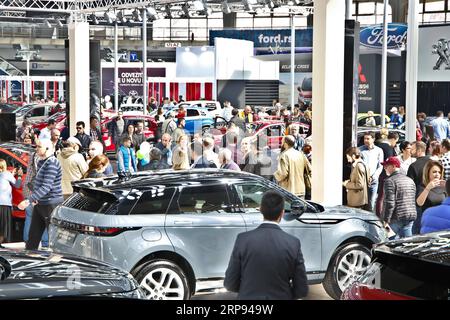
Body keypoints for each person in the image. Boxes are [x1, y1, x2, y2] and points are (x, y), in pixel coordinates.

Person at [224, 190, 308, 300]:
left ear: (261, 210)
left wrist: (247, 290)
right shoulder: (293, 243)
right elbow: (301, 290)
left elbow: (230, 283)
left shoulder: (243, 240)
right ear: (282, 213)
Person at [19, 139, 63, 250]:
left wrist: (29, 200)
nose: (36, 149)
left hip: (51, 204)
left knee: (53, 237)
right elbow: (40, 185)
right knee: (33, 235)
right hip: (41, 202)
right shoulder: (41, 162)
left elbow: (46, 187)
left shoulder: (52, 163)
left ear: (47, 148)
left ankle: (57, 262)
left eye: (39, 147)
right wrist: (35, 198)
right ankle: (29, 258)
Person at [381, 157, 416, 239]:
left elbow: (390, 203)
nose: (384, 168)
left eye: (386, 166)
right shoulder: (410, 180)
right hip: (410, 215)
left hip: (396, 217)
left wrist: (386, 220)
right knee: (407, 244)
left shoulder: (390, 181)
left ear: (393, 166)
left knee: (389, 242)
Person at [415, 160, 447, 233]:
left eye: (439, 172)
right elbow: (419, 203)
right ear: (428, 173)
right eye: (434, 172)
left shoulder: (443, 187)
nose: (437, 174)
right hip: (429, 224)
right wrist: (428, 188)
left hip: (443, 224)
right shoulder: (422, 187)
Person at [359, 132, 384, 212]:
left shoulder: (379, 150)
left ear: (373, 139)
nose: (365, 140)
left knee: (371, 203)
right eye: (364, 139)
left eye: (368, 138)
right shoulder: (360, 150)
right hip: (363, 181)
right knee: (362, 203)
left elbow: (380, 165)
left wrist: (375, 176)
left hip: (373, 180)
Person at [0, 159, 22, 245]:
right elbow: (17, 185)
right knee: (4, 228)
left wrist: (11, 174)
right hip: (4, 205)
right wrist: (19, 176)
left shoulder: (5, 175)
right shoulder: (6, 174)